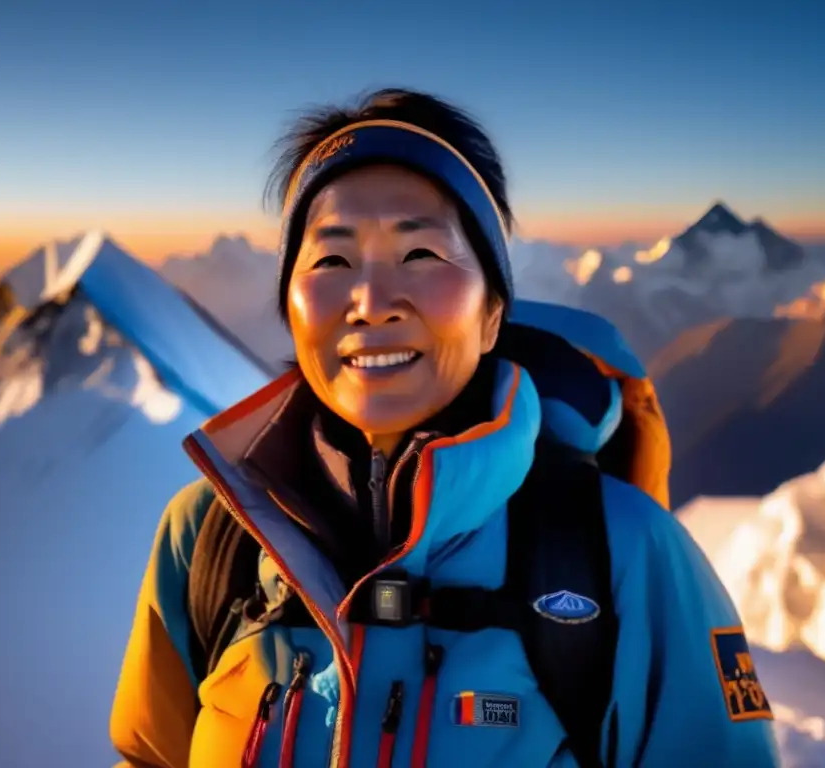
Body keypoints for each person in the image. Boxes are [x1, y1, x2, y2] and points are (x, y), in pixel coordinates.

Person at [110, 88, 781, 768]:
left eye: (422, 254)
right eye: (331, 261)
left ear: (493, 315)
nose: (371, 303)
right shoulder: (209, 538)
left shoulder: (624, 553)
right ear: (291, 306)